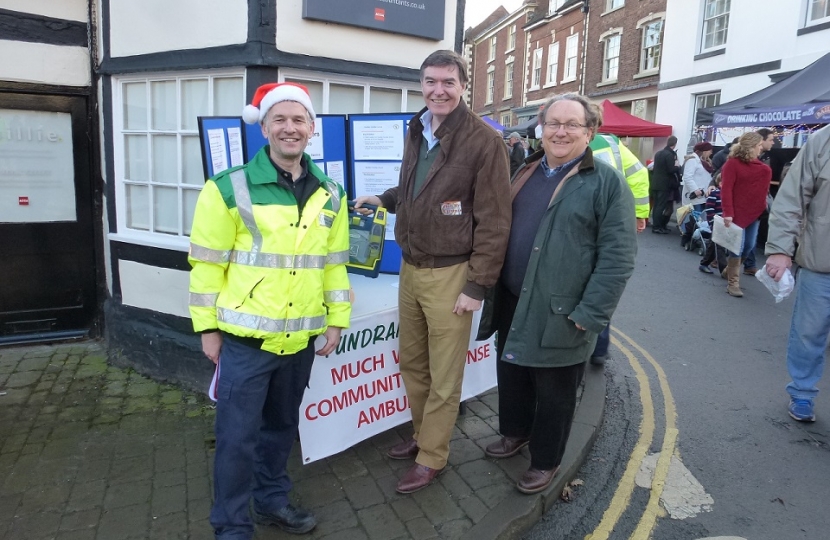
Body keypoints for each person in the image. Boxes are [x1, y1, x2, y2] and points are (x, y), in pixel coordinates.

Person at [188, 82, 351, 538]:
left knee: (280, 430)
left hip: (299, 341)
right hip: (245, 342)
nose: (289, 127)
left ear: (312, 129)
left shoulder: (331, 193)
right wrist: (207, 330)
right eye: (279, 118)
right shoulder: (227, 188)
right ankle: (231, 525)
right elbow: (206, 267)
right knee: (236, 441)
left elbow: (333, 266)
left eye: (299, 119)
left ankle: (271, 501)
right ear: (263, 127)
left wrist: (336, 320)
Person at [355, 50, 511, 494]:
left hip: (451, 274)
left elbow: (496, 221)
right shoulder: (418, 127)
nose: (437, 90)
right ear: (420, 85)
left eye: (447, 82)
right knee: (414, 364)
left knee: (444, 376)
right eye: (429, 82)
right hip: (411, 267)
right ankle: (424, 434)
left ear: (464, 86)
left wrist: (477, 286)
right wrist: (385, 200)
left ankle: (433, 456)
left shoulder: (484, 141)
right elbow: (414, 184)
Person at [477, 93, 637, 495]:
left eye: (571, 125)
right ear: (541, 128)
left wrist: (590, 313)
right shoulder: (526, 171)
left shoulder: (606, 183)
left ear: (590, 132)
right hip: (514, 298)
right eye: (553, 123)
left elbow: (618, 257)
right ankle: (515, 432)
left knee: (555, 391)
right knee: (512, 371)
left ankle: (546, 461)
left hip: (563, 309)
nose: (560, 132)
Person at [765, 123, 830, 423]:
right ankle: (802, 392)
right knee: (809, 333)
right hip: (822, 263)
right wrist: (780, 249)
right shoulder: (822, 141)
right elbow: (792, 198)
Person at [586, 129, 650, 366]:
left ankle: (594, 347)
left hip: (592, 222)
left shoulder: (555, 142)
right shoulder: (611, 144)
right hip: (611, 220)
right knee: (601, 284)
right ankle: (599, 349)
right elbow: (638, 174)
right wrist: (639, 214)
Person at [719, 132, 772, 297]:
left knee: (749, 246)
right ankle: (733, 283)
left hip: (754, 213)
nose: (760, 149)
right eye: (758, 146)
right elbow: (726, 189)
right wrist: (728, 212)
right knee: (738, 247)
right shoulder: (732, 164)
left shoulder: (764, 169)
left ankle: (729, 270)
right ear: (752, 147)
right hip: (735, 213)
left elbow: (763, 193)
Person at [742, 128, 777, 276]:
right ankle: (733, 274)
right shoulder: (742, 157)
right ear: (761, 141)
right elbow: (723, 173)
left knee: (749, 242)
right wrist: (713, 182)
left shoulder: (765, 159)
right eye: (770, 139)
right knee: (740, 241)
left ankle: (747, 263)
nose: (773, 142)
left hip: (757, 207)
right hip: (741, 205)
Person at [680, 141, 714, 249]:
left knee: (701, 219)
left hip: (704, 195)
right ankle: (688, 238)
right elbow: (687, 177)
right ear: (704, 151)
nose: (711, 153)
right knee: (694, 218)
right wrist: (695, 190)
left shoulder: (705, 162)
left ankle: (697, 238)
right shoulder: (693, 160)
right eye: (709, 150)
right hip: (695, 195)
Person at [698, 172, 727, 274]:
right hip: (716, 223)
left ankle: (704, 263)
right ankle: (724, 270)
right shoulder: (714, 194)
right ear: (720, 183)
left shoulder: (729, 195)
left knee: (712, 245)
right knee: (720, 246)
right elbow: (709, 209)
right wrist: (711, 222)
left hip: (725, 224)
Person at [651, 136, 681, 234]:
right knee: (661, 206)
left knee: (656, 206)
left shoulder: (658, 153)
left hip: (655, 182)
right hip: (664, 184)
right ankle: (657, 226)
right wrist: (677, 167)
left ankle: (655, 225)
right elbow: (670, 170)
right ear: (675, 144)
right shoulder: (669, 155)